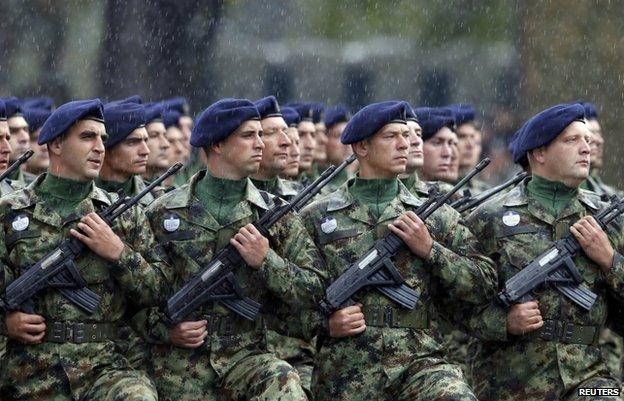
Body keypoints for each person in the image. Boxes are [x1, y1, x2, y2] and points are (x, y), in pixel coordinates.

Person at [299, 100, 496, 401]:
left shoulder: (433, 214)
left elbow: (484, 282)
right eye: (392, 137)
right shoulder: (317, 217)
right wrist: (323, 323)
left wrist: (431, 250)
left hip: (420, 364)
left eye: (407, 135)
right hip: (345, 371)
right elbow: (287, 304)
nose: (406, 144)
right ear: (362, 147)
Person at [141, 98, 326, 400]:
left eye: (260, 135)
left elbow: (315, 289)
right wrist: (166, 331)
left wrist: (267, 260)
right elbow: (135, 295)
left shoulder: (275, 214)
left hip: (247, 357)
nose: (260, 145)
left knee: (285, 383)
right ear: (217, 145)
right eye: (248, 136)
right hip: (177, 363)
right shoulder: (163, 213)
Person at [0, 99, 168, 400]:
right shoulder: (10, 213)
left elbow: (159, 291)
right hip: (28, 371)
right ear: (56, 145)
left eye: (103, 139)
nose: (99, 147)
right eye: (87, 137)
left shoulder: (123, 214)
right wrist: (6, 323)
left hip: (103, 368)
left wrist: (119, 253)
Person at [465, 103, 624, 401]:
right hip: (509, 381)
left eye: (587, 140)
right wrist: (503, 322)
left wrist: (610, 260)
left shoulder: (610, 220)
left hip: (589, 377)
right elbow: (454, 307)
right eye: (572, 140)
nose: (586, 148)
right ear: (538, 153)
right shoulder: (489, 218)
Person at [249, 96, 302, 200]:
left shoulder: (302, 196)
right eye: (272, 133)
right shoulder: (232, 198)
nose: (286, 142)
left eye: (285, 132)